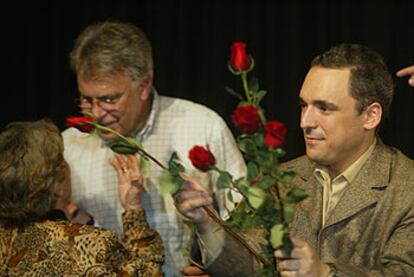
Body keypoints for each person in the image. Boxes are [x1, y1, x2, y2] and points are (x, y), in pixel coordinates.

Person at [174, 43, 414, 276]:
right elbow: (251, 263)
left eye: (324, 108)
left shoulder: (407, 187)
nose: (305, 122)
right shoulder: (279, 179)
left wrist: (326, 275)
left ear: (371, 116)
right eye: (303, 106)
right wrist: (206, 222)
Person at [62, 20, 245, 276]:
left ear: (144, 85)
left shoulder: (201, 128)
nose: (96, 113)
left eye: (109, 99)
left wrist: (217, 266)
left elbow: (247, 232)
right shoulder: (69, 148)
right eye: (86, 99)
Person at [0, 119, 164, 276]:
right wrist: (134, 211)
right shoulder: (90, 246)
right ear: (57, 186)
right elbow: (149, 273)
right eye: (62, 161)